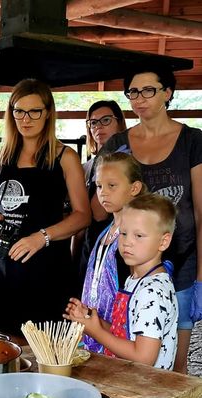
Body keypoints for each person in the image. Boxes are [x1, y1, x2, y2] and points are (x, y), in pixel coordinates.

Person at [101, 67, 202, 373]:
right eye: (133, 92)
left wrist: (201, 277)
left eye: (149, 90)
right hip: (129, 268)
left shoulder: (192, 141)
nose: (140, 99)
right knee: (124, 360)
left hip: (183, 264)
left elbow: (201, 211)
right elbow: (105, 202)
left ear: (167, 93)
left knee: (176, 370)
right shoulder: (118, 142)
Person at [0, 78, 91, 335]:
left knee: (44, 345)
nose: (26, 119)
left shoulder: (65, 156)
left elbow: (83, 216)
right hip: (2, 261)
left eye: (34, 111)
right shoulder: (3, 154)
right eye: (19, 111)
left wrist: (42, 238)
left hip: (46, 265)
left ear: (48, 112)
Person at [65, 193, 179, 370]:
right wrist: (93, 320)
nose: (127, 242)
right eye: (124, 233)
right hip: (128, 381)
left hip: (145, 391)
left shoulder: (153, 292)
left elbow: (143, 357)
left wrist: (96, 332)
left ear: (163, 242)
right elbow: (126, 333)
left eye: (139, 236)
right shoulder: (134, 280)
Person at [81, 152, 146, 353]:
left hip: (120, 339)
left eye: (112, 186)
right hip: (94, 331)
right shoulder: (104, 232)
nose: (103, 193)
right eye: (99, 186)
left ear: (134, 188)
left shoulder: (137, 237)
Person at [73, 101, 127, 289]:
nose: (98, 127)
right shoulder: (86, 167)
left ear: (120, 123)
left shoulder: (131, 161)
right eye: (93, 123)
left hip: (119, 246)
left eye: (105, 120)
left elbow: (99, 212)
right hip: (90, 244)